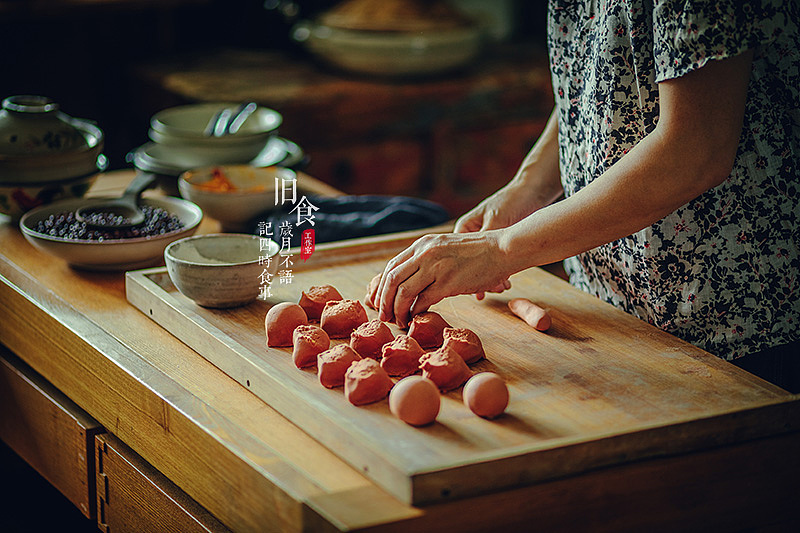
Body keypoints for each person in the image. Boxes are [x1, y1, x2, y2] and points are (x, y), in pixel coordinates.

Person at [371, 0, 799, 392]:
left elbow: (696, 149)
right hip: (606, 307)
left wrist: (501, 249)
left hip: (737, 321)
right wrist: (530, 186)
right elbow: (597, 79)